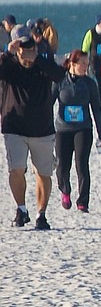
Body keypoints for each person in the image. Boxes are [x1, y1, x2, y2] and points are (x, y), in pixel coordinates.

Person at [1, 27, 65, 229]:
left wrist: (36, 58)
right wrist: (8, 53)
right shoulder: (8, 65)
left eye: (30, 48)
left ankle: (41, 214)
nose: (26, 53)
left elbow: (59, 75)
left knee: (43, 173)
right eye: (22, 48)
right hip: (14, 128)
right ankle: (21, 210)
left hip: (42, 129)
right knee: (16, 169)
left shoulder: (42, 64)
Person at [53, 50, 101, 213]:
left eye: (87, 63)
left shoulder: (90, 83)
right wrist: (45, 128)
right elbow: (48, 103)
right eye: (82, 63)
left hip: (83, 128)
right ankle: (65, 190)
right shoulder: (60, 81)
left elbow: (96, 109)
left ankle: (83, 201)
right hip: (63, 129)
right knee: (62, 165)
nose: (85, 67)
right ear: (72, 64)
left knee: (82, 164)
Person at [81, 14, 101, 109]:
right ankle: (99, 105)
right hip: (95, 63)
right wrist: (84, 62)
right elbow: (85, 49)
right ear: (98, 23)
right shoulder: (91, 33)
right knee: (98, 84)